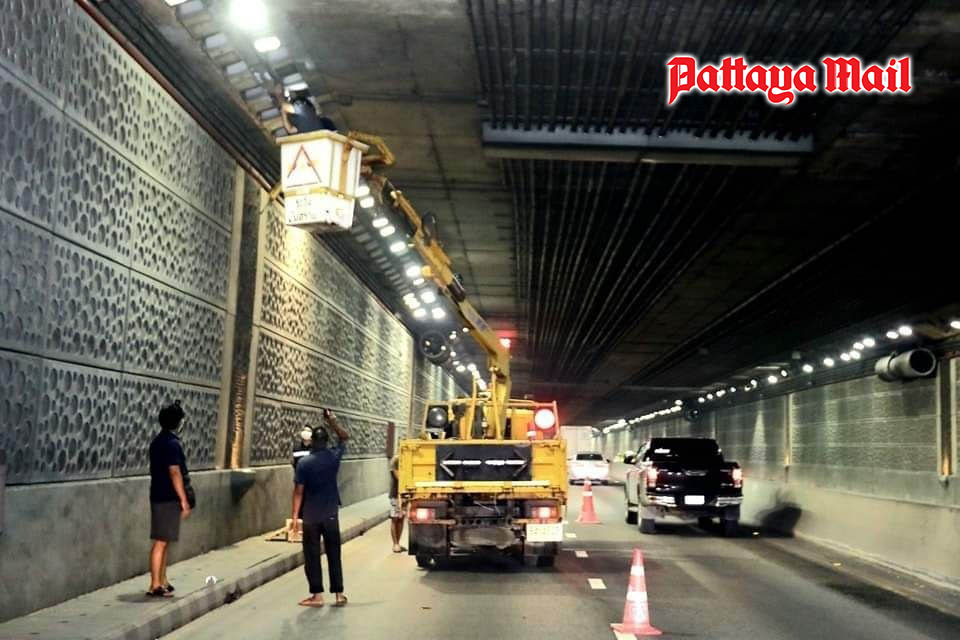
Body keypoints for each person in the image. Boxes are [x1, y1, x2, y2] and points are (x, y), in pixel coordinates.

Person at [290, 409, 350, 607]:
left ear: (313, 442)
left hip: (311, 516)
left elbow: (298, 492)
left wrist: (295, 517)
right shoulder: (334, 457)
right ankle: (339, 594)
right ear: (326, 441)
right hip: (331, 514)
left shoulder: (304, 463)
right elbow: (344, 437)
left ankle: (317, 596)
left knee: (312, 556)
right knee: (334, 554)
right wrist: (332, 421)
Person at [147, 401, 193, 598]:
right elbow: (175, 472)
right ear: (178, 422)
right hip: (167, 497)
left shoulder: (157, 441)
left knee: (164, 541)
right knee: (161, 541)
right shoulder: (172, 444)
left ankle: (162, 580)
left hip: (158, 494)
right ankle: (155, 584)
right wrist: (183, 499)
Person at [271, 85, 337, 134]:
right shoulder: (324, 121)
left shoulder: (324, 121)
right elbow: (290, 130)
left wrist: (283, 112)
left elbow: (285, 107)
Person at [389, 454, 405, 553]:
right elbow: (398, 477)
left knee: (401, 518)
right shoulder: (396, 460)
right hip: (395, 494)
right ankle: (395, 543)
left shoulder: (406, 458)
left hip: (404, 494)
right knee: (395, 519)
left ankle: (398, 542)